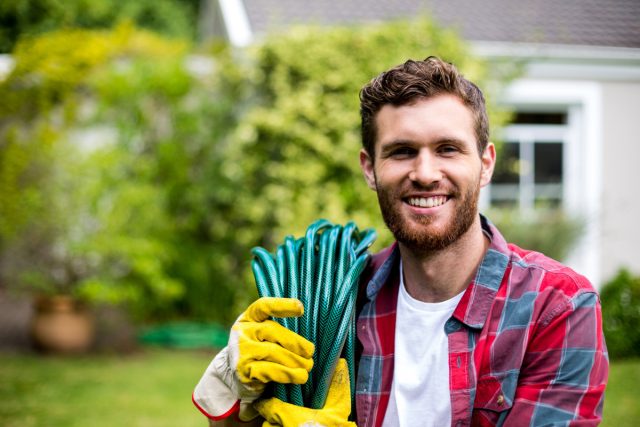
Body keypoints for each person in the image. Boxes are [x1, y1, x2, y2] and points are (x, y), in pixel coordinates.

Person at [192, 56, 609, 426]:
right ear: (370, 168)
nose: (425, 173)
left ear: (484, 164)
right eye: (402, 151)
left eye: (447, 149)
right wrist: (233, 383)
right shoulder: (334, 301)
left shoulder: (557, 306)